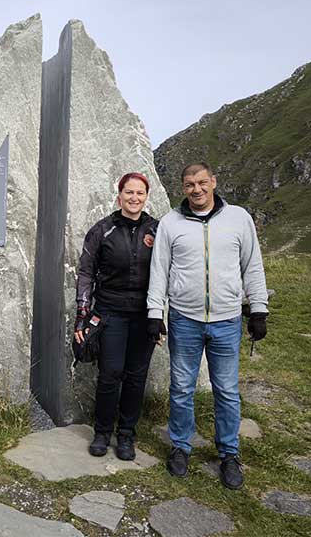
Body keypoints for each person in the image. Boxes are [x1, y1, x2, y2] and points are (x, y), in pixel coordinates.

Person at [146, 162, 268, 489]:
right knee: (182, 388)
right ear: (182, 188)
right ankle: (181, 447)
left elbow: (252, 266)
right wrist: (154, 312)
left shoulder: (239, 218)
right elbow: (159, 270)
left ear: (213, 181)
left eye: (202, 182)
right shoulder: (171, 223)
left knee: (227, 390)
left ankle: (229, 454)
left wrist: (258, 309)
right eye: (189, 185)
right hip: (184, 319)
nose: (196, 189)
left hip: (227, 320)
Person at [75, 172, 164, 461]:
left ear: (146, 197)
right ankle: (102, 432)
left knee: (136, 377)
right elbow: (86, 272)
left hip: (145, 316)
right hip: (110, 313)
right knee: (110, 374)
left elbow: (168, 273)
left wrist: (161, 316)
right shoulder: (102, 230)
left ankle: (126, 435)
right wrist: (82, 315)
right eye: (129, 192)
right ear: (119, 196)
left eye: (140, 193)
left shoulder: (158, 230)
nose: (134, 198)